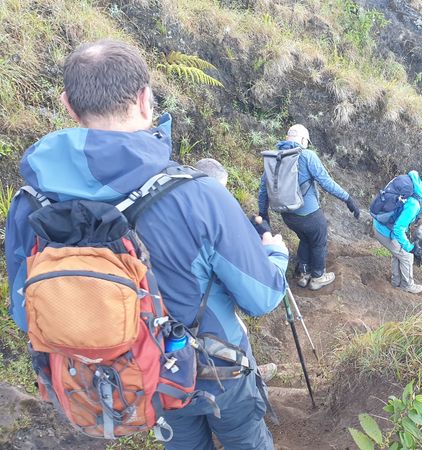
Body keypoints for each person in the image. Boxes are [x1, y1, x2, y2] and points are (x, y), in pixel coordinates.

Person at [5, 40, 288, 449]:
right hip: (217, 368)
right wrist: (275, 254)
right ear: (144, 99)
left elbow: (24, 313)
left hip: (137, 379)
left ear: (68, 105)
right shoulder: (199, 195)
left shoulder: (29, 202)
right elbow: (263, 298)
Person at [195, 157, 278, 382]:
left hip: (169, 309)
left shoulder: (174, 210)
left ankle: (250, 370)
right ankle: (250, 376)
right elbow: (260, 299)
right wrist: (274, 248)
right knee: (236, 332)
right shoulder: (215, 219)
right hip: (203, 310)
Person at [258, 124, 360, 291]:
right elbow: (326, 182)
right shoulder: (307, 156)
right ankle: (318, 277)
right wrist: (348, 199)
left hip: (288, 216)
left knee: (305, 238)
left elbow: (263, 190)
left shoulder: (274, 158)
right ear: (304, 140)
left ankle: (303, 275)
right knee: (319, 240)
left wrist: (263, 214)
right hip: (309, 214)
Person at [373, 171, 422, 294]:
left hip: (380, 223)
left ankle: (396, 282)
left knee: (398, 253)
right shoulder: (414, 204)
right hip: (385, 231)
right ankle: (407, 285)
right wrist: (410, 248)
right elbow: (398, 229)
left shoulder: (411, 184)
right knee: (407, 256)